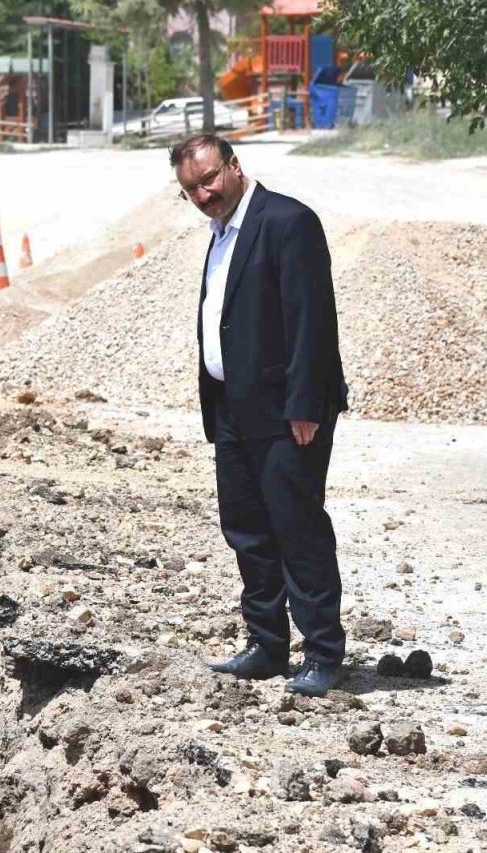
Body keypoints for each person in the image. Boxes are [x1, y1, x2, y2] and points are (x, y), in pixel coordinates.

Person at [171, 134, 349, 697]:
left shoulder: (287, 221)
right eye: (191, 189)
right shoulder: (221, 234)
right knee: (246, 530)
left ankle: (322, 653)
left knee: (297, 529)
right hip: (233, 408)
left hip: (285, 411)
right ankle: (267, 645)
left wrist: (304, 404)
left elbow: (311, 320)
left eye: (208, 180)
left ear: (234, 165)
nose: (203, 194)